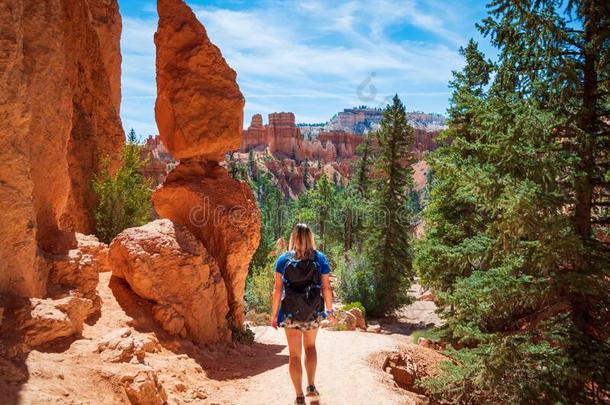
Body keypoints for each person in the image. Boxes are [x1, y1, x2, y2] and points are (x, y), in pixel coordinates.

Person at [271, 223, 336, 405]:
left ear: (293, 237)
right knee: (310, 347)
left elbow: (277, 290)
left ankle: (299, 396)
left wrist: (274, 315)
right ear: (310, 238)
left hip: (290, 314)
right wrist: (329, 311)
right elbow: (326, 287)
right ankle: (311, 387)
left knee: (294, 355)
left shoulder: (283, 260)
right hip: (312, 312)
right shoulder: (319, 258)